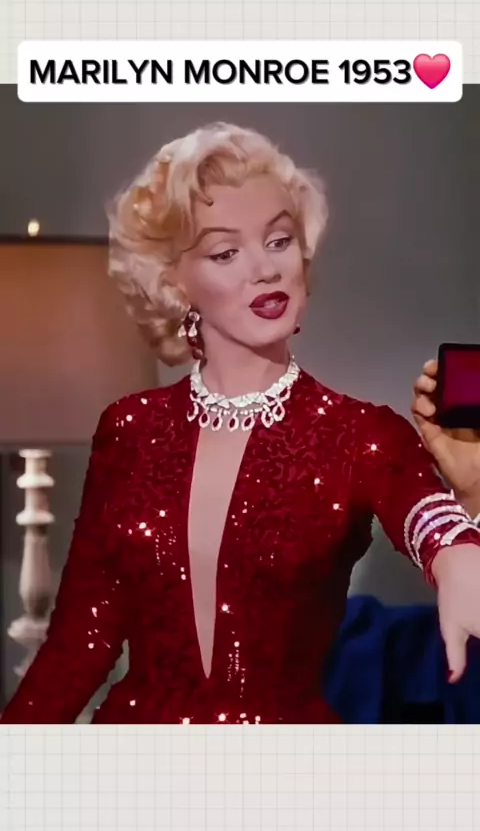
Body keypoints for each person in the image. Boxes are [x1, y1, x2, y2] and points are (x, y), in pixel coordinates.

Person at [2, 122, 480, 725]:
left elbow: (430, 520)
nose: (265, 269)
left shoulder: (361, 434)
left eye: (279, 241)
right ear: (175, 282)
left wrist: (460, 548)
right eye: (226, 253)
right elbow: (79, 645)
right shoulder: (130, 431)